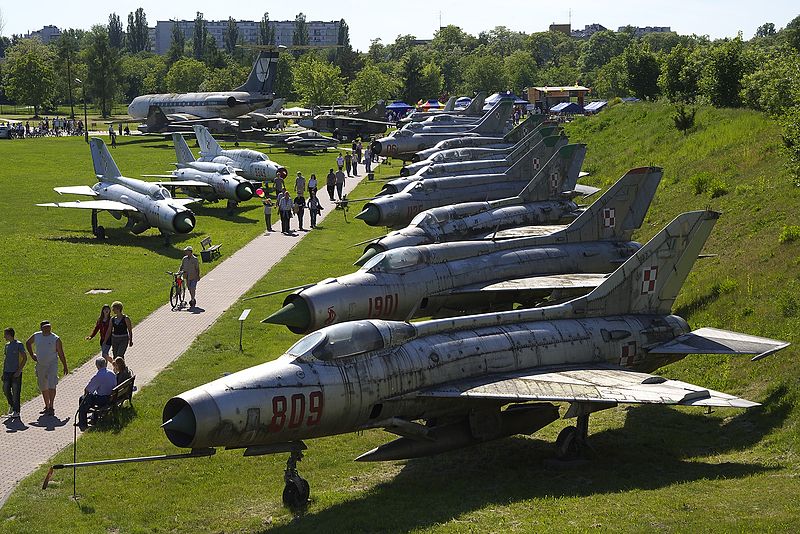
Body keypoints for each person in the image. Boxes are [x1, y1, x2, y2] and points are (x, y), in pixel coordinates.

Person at [26, 320, 68, 416]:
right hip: (41, 365)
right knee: (43, 385)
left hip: (52, 365)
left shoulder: (55, 338)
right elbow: (28, 343)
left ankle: (51, 406)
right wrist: (32, 355)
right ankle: (47, 405)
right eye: (45, 327)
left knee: (51, 385)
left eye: (49, 326)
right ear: (41, 328)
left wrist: (65, 365)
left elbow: (61, 353)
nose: (48, 328)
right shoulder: (36, 336)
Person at [76, 357, 117, 431]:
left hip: (103, 399)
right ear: (105, 364)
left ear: (97, 366)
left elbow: (87, 390)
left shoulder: (98, 376)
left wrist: (86, 396)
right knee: (90, 397)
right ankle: (93, 418)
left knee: (82, 399)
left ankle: (83, 424)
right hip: (112, 397)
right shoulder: (112, 373)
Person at [3, 327, 27, 419]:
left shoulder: (18, 344)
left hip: (15, 372)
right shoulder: (7, 345)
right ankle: (12, 406)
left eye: (5, 334)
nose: (4, 336)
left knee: (16, 391)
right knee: (5, 389)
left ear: (9, 334)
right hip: (7, 372)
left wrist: (19, 371)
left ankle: (16, 411)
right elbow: (6, 359)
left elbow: (24, 358)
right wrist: (3, 372)